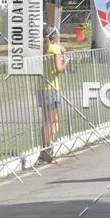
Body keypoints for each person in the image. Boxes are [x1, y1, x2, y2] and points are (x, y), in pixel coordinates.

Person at [39, 26, 69, 162]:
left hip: (40, 88)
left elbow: (62, 49)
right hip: (52, 88)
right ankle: (49, 146)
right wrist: (66, 61)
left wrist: (58, 47)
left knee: (46, 120)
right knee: (55, 120)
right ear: (54, 37)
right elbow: (59, 69)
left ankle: (44, 147)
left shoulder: (42, 49)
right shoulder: (54, 50)